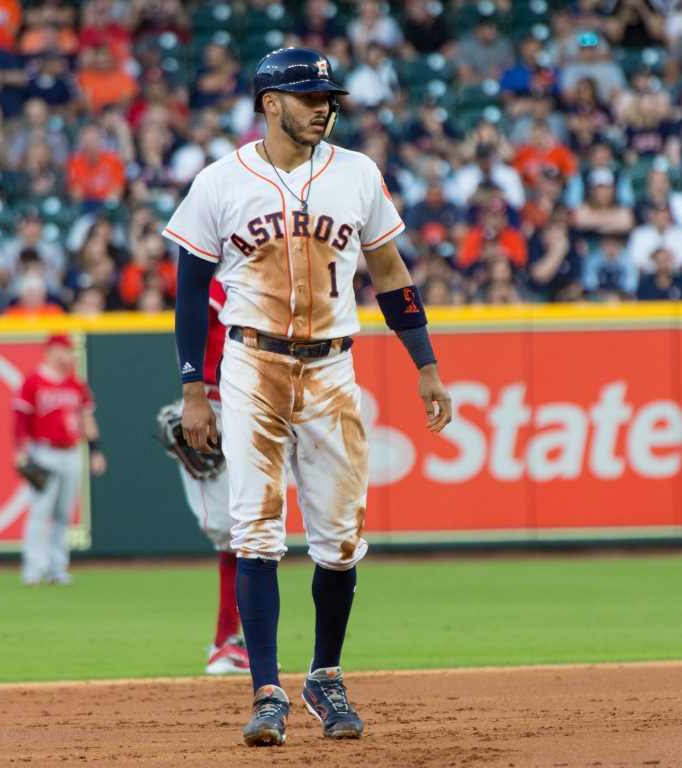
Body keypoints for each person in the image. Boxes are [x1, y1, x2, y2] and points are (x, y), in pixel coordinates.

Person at [164, 47, 452, 747]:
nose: (323, 108)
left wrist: (426, 363)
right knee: (255, 530)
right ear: (271, 104)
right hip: (251, 363)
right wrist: (193, 388)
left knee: (340, 540)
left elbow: (391, 273)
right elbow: (189, 291)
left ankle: (325, 676)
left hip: (331, 369)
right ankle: (266, 692)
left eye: (328, 98)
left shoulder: (357, 173)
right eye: (309, 97)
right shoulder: (220, 181)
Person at [156, 277, 249, 675]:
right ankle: (225, 642)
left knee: (253, 530)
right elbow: (189, 326)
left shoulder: (260, 276)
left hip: (255, 402)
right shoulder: (215, 282)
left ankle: (229, 641)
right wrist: (192, 395)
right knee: (234, 530)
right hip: (214, 400)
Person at [13, 334, 107, 586]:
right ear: (53, 350)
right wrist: (20, 452)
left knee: (63, 514)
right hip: (43, 452)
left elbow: (87, 418)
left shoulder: (76, 384)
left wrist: (95, 450)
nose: (70, 355)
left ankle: (57, 568)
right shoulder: (33, 382)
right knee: (40, 512)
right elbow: (21, 420)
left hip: (71, 452)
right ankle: (33, 569)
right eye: (66, 350)